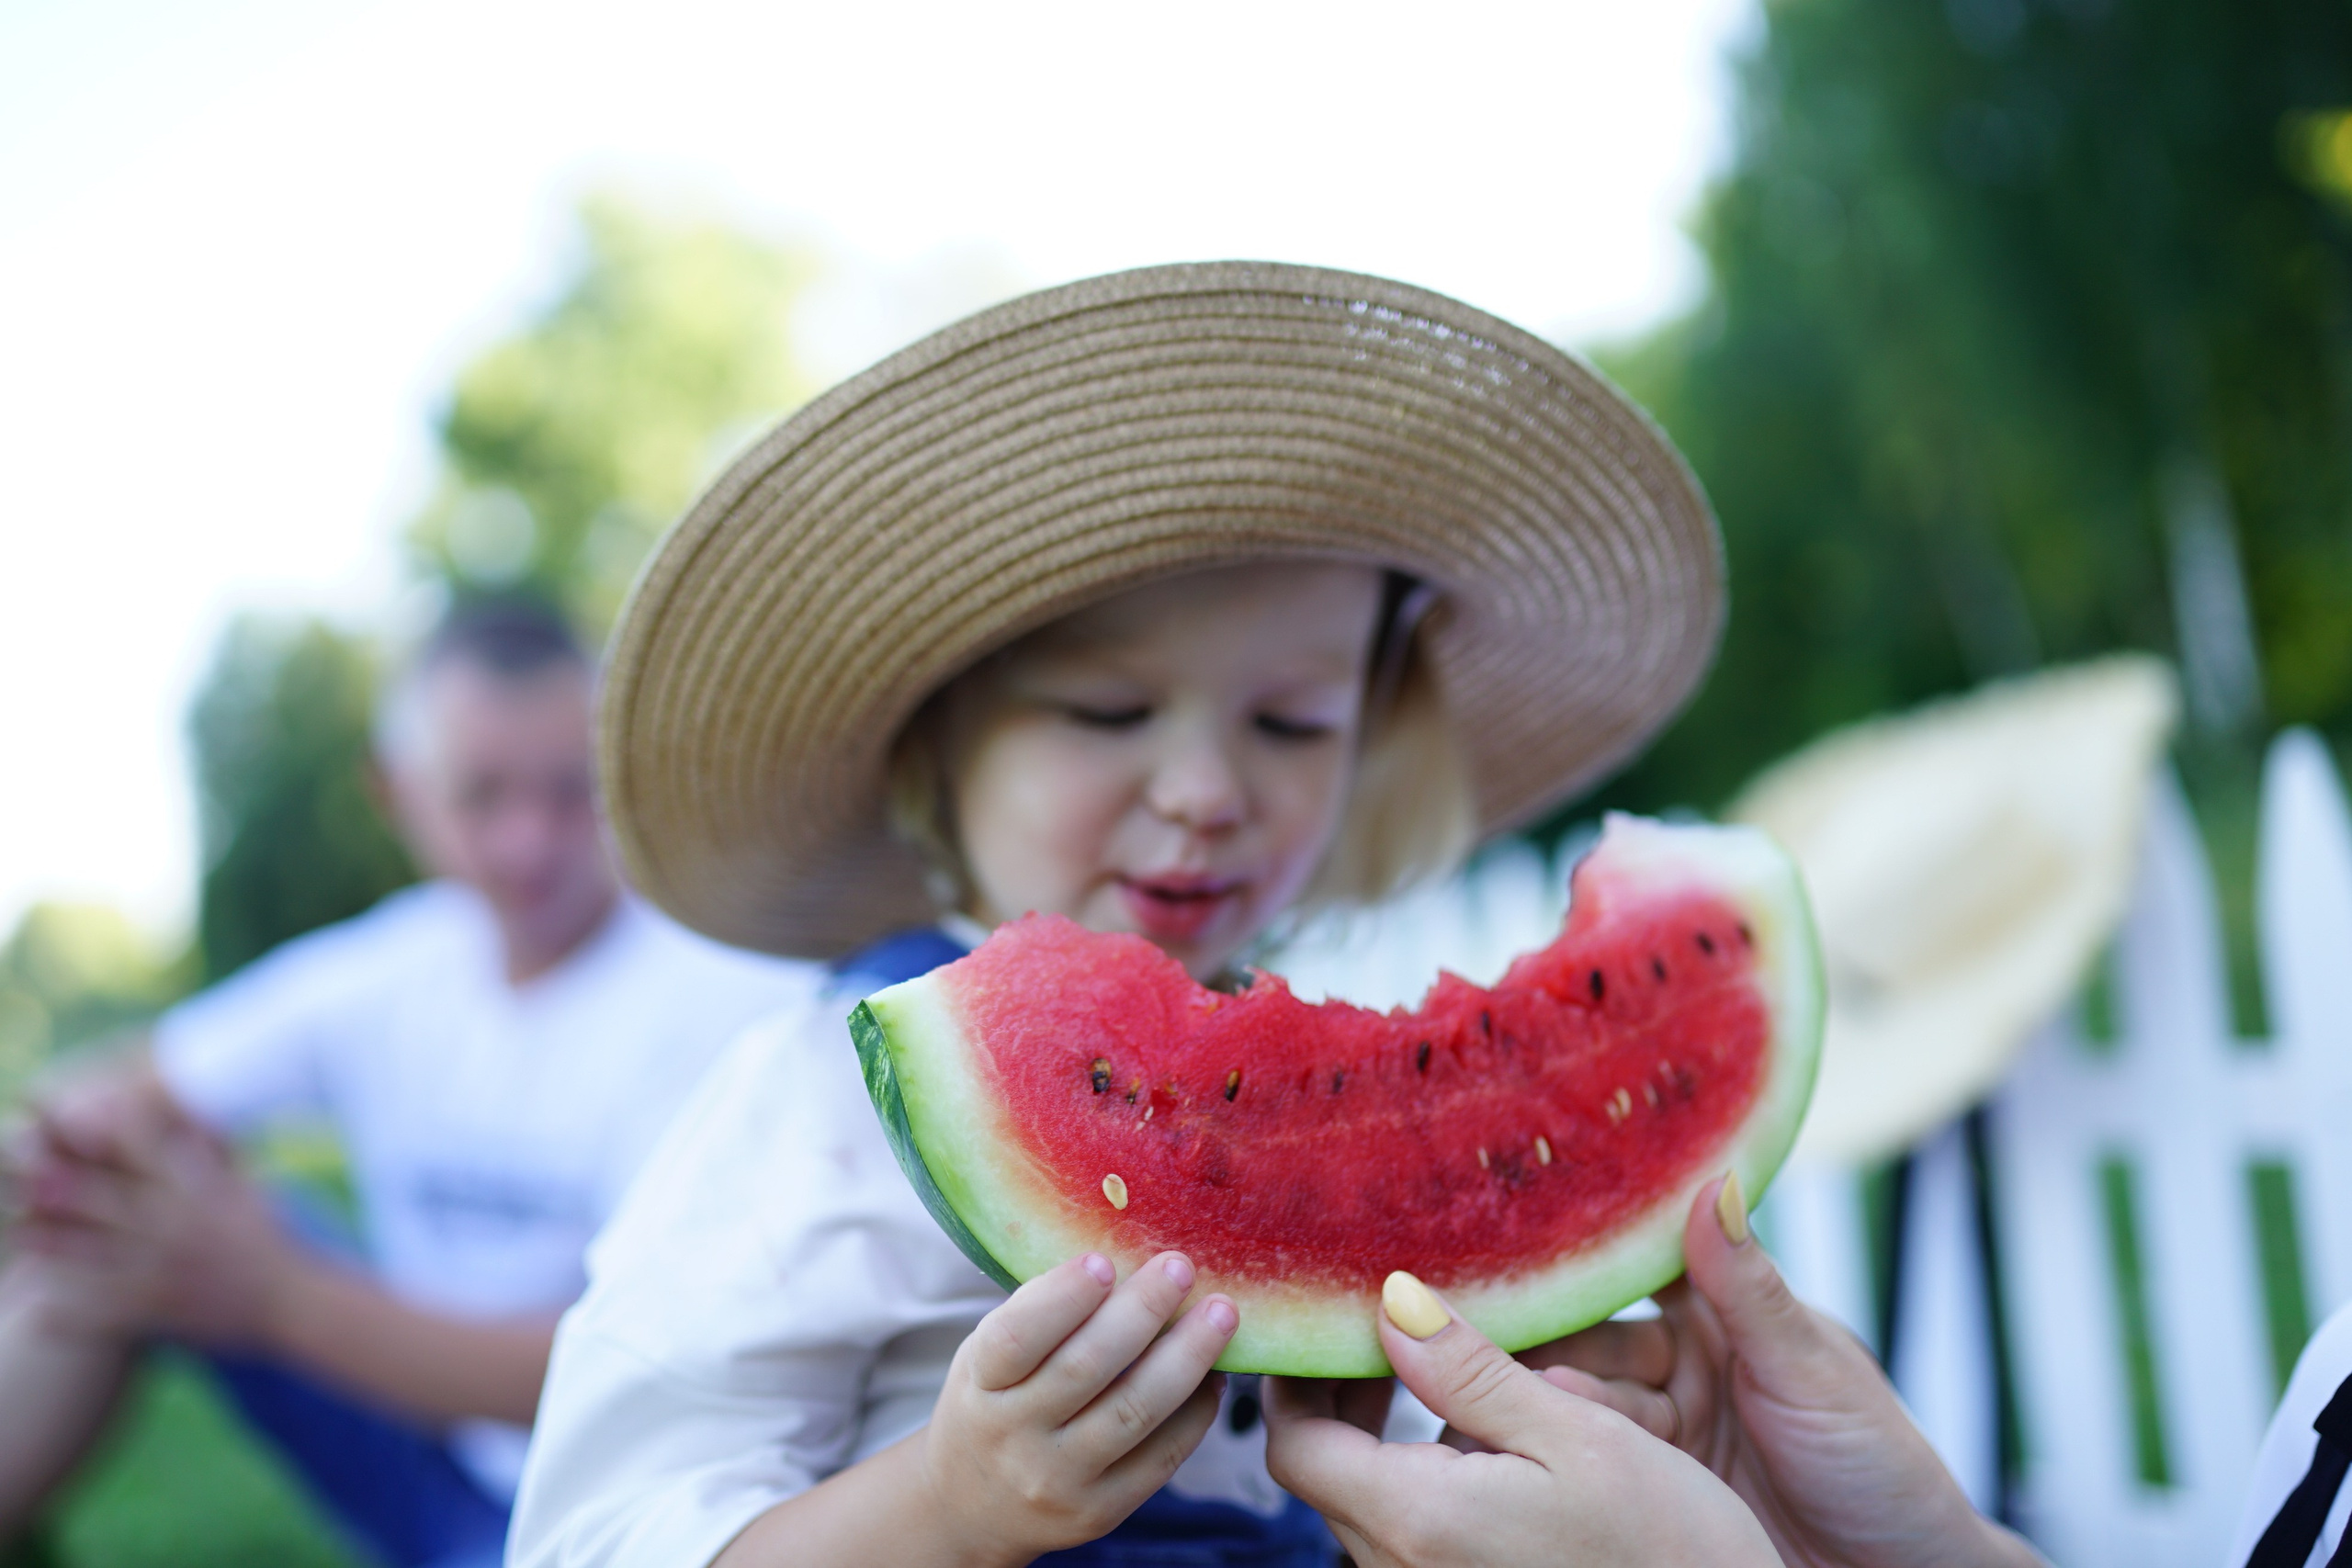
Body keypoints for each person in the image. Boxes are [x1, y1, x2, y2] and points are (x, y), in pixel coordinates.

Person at [503, 261, 1727, 1567]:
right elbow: (593, 1537)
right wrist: (947, 1505)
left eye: (1290, 722)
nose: (1205, 791)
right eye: (1107, 711)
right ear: (938, 745)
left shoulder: (1331, 1116)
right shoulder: (813, 1105)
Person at [0, 601, 818, 1568]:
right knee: (112, 1207)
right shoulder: (399, 963)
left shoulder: (728, 996)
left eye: (570, 792)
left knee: (152, 1227)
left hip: (625, 1504)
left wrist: (278, 1296)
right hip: (423, 1441)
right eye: (482, 795)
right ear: (395, 793)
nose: (529, 841)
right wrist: (60, 1160)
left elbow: (645, 1378)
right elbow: (128, 1085)